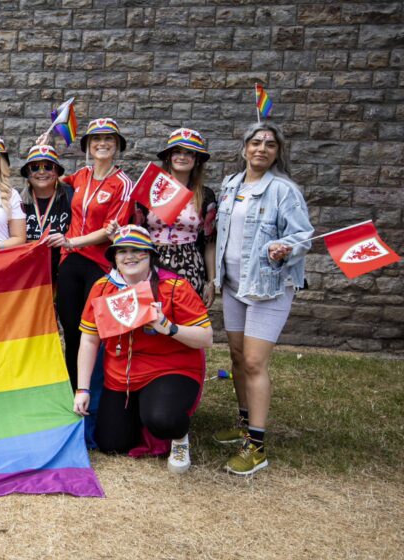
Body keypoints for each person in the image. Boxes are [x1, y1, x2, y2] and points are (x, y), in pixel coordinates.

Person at [213, 122, 313, 475]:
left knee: (255, 362)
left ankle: (256, 447)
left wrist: (286, 247)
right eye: (256, 142)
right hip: (234, 286)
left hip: (268, 288)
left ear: (277, 152)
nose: (262, 149)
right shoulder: (231, 185)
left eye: (270, 145)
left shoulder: (284, 191)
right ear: (244, 148)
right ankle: (244, 425)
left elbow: (303, 236)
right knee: (238, 358)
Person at [74, 226, 213, 473]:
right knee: (112, 443)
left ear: (150, 255)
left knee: (162, 419)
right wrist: (83, 389)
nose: (129, 256)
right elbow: (89, 340)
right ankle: (142, 411)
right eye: (122, 251)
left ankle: (179, 436)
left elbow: (206, 338)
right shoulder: (103, 288)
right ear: (114, 258)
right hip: (121, 377)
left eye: (137, 250)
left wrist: (168, 327)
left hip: (169, 368)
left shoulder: (174, 286)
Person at [56, 118, 136, 389]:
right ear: (88, 146)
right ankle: (73, 389)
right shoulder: (81, 175)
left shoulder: (123, 183)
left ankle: (97, 389)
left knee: (94, 330)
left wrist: (70, 242)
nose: (102, 143)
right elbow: (50, 178)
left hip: (99, 265)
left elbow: (109, 232)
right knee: (70, 329)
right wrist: (44, 150)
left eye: (108, 139)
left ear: (117, 145)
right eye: (96, 139)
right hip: (70, 262)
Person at [136, 128, 217, 305]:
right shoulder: (151, 188)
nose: (182, 157)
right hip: (152, 261)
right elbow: (136, 230)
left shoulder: (205, 195)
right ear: (168, 157)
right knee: (152, 315)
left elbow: (210, 242)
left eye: (189, 153)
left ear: (196, 159)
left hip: (190, 264)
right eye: (177, 152)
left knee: (187, 315)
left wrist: (211, 281)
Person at [20, 144, 73, 285]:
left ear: (57, 172)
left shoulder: (71, 197)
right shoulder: (17, 202)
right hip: (27, 276)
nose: (42, 172)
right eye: (35, 167)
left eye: (48, 166)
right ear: (28, 173)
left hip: (63, 276)